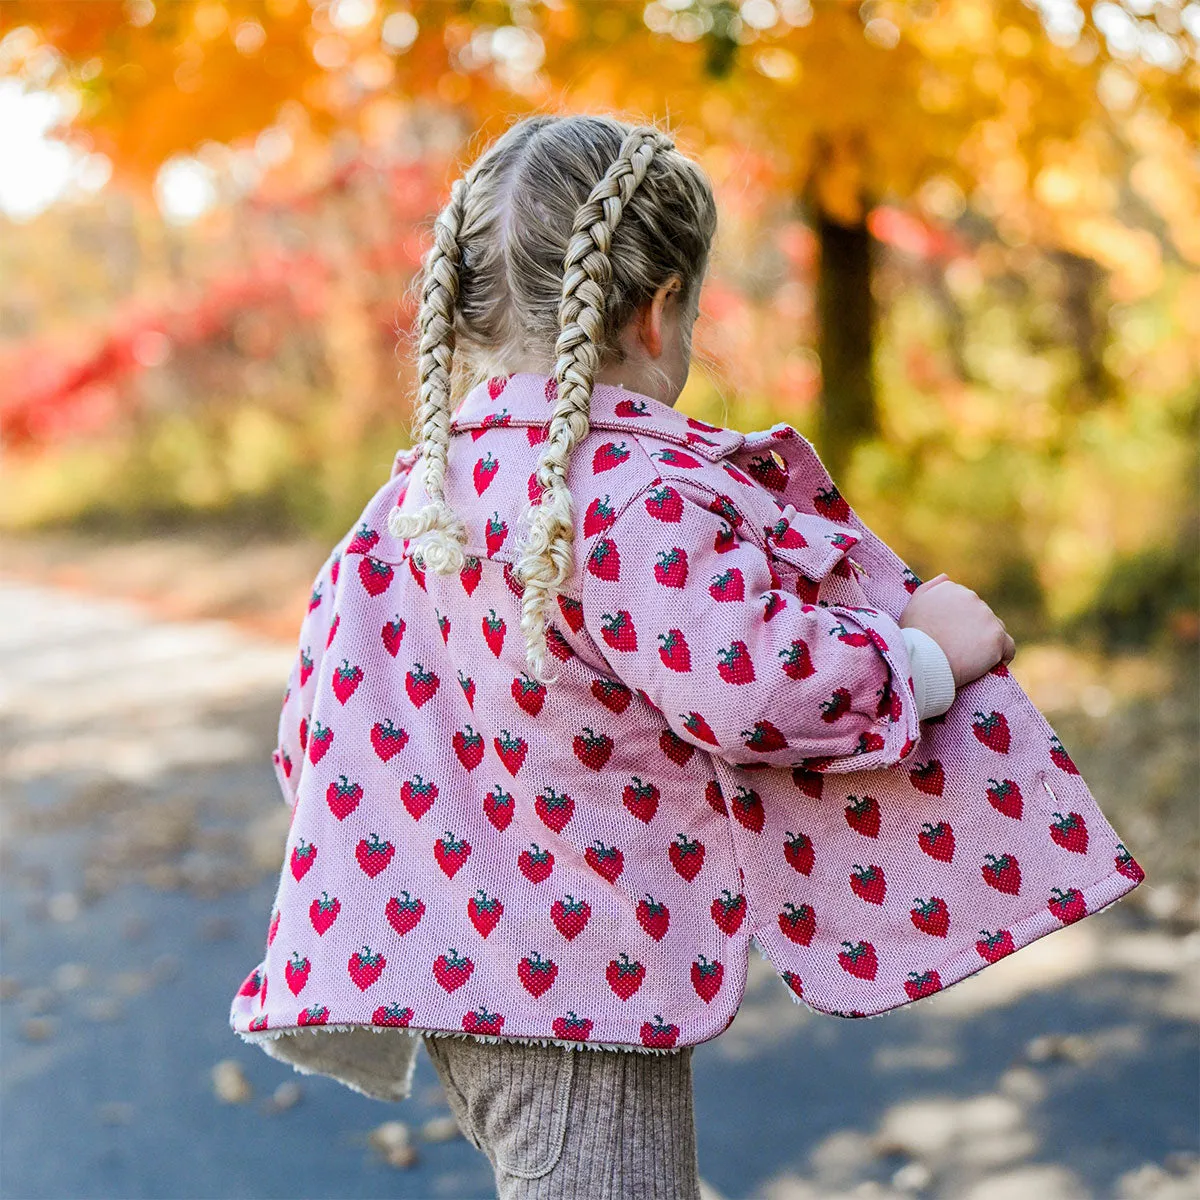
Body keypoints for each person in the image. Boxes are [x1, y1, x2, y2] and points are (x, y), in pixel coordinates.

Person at [229, 113, 1142, 1199]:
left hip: (452, 986)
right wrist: (919, 658)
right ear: (660, 314)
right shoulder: (626, 499)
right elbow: (757, 688)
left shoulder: (400, 509)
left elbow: (312, 747)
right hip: (579, 998)